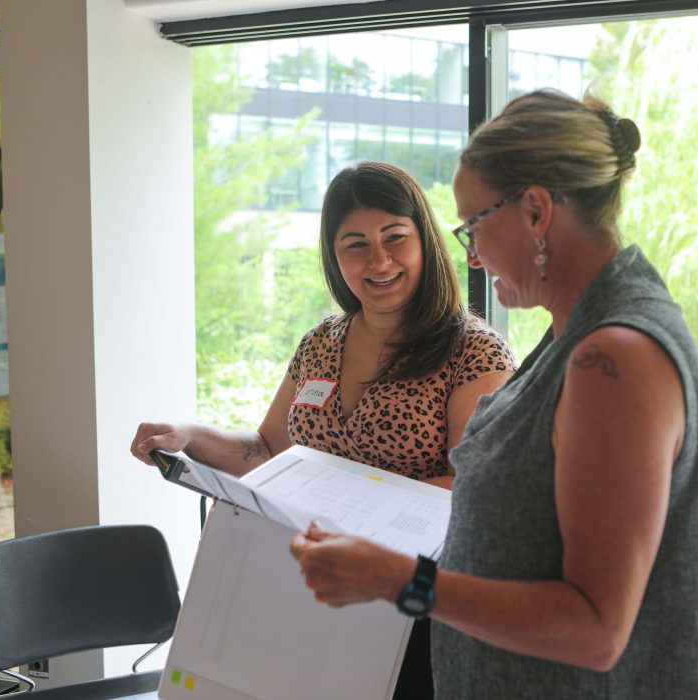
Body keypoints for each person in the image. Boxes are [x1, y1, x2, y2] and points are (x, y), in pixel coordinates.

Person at [290, 89, 698, 699]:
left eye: (474, 223)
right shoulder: (575, 333)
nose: (470, 253)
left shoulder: (618, 357)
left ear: (535, 211)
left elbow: (597, 629)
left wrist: (398, 579)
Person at [130, 161, 516, 699]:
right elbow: (267, 451)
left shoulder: (473, 350)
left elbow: (473, 487)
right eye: (355, 244)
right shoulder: (320, 343)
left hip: (410, 608)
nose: (378, 260)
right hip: (312, 593)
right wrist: (188, 434)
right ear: (335, 257)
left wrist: (353, 512)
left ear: (424, 242)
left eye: (394, 238)